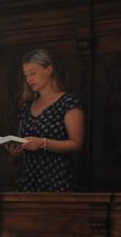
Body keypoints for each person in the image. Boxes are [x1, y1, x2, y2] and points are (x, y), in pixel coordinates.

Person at [10, 48, 85, 192]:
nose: (29, 79)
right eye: (26, 75)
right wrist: (18, 149)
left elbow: (76, 144)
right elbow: (24, 140)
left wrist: (43, 143)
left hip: (57, 179)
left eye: (33, 73)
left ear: (49, 69)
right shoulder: (27, 106)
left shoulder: (68, 102)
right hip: (28, 180)